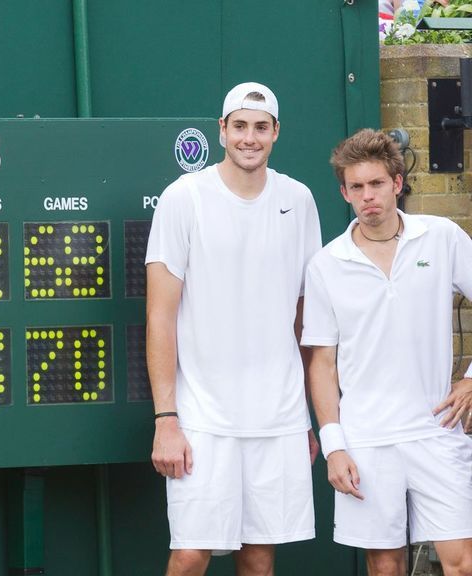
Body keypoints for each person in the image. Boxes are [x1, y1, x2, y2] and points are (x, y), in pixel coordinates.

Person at [145, 82, 321, 576]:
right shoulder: (184, 198)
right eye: (239, 126)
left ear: (276, 132)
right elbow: (159, 316)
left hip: (279, 417)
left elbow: (305, 318)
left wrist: (305, 415)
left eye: (260, 127)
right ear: (221, 130)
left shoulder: (299, 200)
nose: (250, 137)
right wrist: (166, 419)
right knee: (189, 557)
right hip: (201, 417)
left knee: (260, 562)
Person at [304, 128, 472, 576]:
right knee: (384, 568)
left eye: (376, 184)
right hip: (367, 440)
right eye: (356, 187)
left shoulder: (441, 237)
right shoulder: (326, 264)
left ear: (397, 183)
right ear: (344, 192)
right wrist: (335, 445)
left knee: (462, 563)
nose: (367, 196)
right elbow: (321, 362)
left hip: (437, 430)